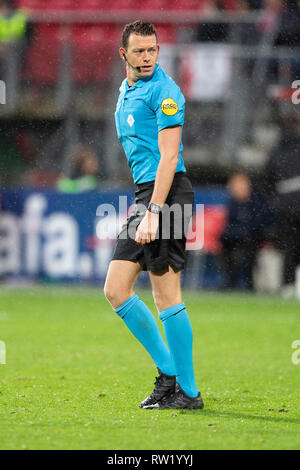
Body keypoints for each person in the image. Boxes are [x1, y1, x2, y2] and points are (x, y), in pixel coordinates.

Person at [104, 21, 204, 410]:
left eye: (153, 50)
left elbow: (168, 157)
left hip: (168, 195)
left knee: (166, 296)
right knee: (115, 289)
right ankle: (169, 374)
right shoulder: (126, 90)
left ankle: (189, 392)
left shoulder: (166, 93)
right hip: (146, 196)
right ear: (123, 54)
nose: (147, 58)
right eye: (140, 51)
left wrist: (154, 213)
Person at [263, 110, 300, 293]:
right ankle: (292, 284)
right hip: (290, 204)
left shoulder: (276, 151)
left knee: (289, 247)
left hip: (285, 206)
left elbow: (267, 180)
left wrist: (276, 201)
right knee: (292, 246)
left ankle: (288, 285)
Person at [220, 172, 274, 290]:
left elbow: (260, 223)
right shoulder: (233, 202)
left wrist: (243, 232)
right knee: (226, 245)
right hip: (235, 238)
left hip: (254, 236)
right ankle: (229, 281)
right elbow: (230, 223)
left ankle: (249, 283)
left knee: (247, 250)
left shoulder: (257, 201)